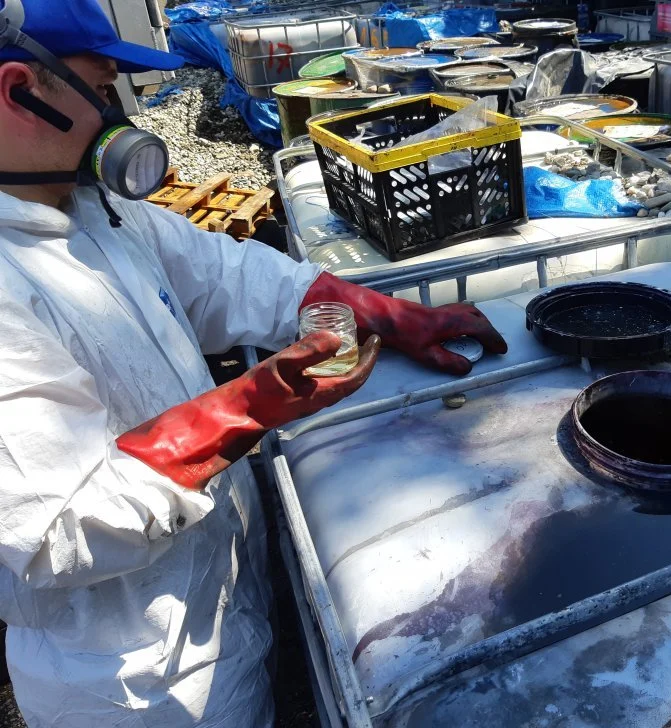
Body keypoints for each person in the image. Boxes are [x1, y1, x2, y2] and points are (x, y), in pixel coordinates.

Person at [0, 0, 508, 726]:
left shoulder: (92, 208)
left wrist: (390, 315)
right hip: (133, 681)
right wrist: (249, 405)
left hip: (215, 594)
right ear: (20, 90)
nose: (119, 114)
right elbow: (58, 531)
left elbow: (231, 276)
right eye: (105, 87)